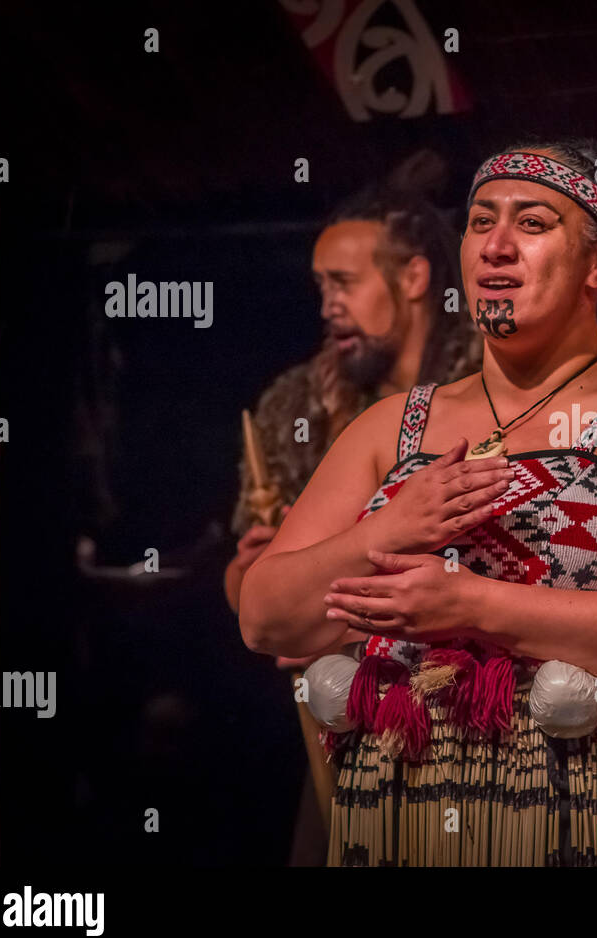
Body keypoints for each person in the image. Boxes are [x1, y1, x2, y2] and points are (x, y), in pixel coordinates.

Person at [239, 140, 597, 866]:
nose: (496, 247)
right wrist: (385, 531)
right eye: (481, 223)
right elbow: (264, 617)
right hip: (403, 814)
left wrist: (472, 606)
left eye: (533, 224)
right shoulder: (393, 428)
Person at [224, 180, 481, 865]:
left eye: (344, 281)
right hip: (340, 722)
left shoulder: (488, 385)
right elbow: (249, 585)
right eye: (319, 285)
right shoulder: (293, 401)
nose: (328, 304)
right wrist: (261, 580)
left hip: (476, 725)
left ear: (416, 276)